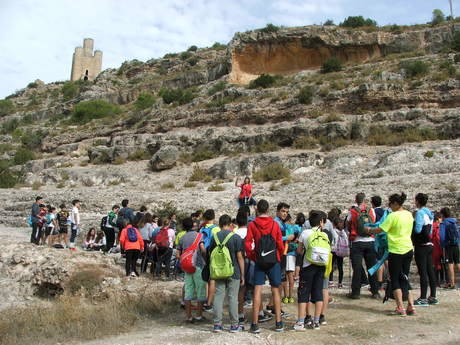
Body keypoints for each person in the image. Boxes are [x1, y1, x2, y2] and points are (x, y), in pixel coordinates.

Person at [365, 193, 416, 316]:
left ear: (395, 204)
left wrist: (369, 230)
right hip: (408, 248)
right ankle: (411, 306)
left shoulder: (393, 216)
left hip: (396, 250)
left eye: (390, 203)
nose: (389, 206)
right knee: (405, 277)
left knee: (395, 279)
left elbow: (381, 229)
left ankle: (400, 307)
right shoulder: (409, 214)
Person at [245, 199, 285, 333]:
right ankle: (279, 322)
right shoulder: (275, 225)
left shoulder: (252, 225)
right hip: (273, 261)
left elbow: (248, 244)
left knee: (257, 290)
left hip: (259, 261)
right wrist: (278, 257)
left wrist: (253, 256)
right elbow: (280, 244)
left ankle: (255, 324)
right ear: (268, 210)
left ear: (257, 210)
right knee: (275, 290)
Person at [294, 210, 331, 331]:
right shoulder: (324, 234)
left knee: (304, 293)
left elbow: (299, 251)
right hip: (321, 266)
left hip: (308, 266)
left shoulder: (305, 233)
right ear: (321, 222)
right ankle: (316, 322)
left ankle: (300, 322)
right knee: (318, 293)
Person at [208, 215, 245, 333]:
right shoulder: (236, 237)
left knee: (218, 296)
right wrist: (243, 275)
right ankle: (234, 325)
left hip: (218, 271)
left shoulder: (215, 237)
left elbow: (211, 255)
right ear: (231, 224)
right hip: (233, 271)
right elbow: (240, 257)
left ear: (219, 224)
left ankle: (217, 325)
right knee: (233, 298)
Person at [346, 193, 380, 299]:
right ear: (365, 200)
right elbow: (374, 222)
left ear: (356, 200)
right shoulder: (371, 210)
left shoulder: (352, 211)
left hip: (357, 241)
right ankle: (375, 291)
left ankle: (356, 292)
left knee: (357, 268)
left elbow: (348, 223)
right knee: (371, 266)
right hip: (370, 241)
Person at [177, 217, 207, 324]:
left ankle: (188, 316)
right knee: (200, 290)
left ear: (184, 227)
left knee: (188, 291)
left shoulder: (182, 238)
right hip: (198, 265)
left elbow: (177, 254)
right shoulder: (199, 236)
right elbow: (203, 249)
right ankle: (199, 316)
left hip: (187, 267)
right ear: (193, 226)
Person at [413, 193, 437, 306]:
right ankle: (433, 296)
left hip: (421, 246)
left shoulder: (420, 213)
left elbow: (418, 230)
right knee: (430, 271)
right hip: (429, 244)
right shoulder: (430, 213)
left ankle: (423, 298)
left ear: (417, 201)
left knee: (422, 272)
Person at [200, 209, 221, 311]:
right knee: (212, 279)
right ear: (214, 217)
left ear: (204, 218)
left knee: (206, 279)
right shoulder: (216, 229)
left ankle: (205, 300)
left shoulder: (201, 229)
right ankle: (209, 303)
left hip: (203, 255)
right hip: (212, 255)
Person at [439, 207, 459, 289]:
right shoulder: (454, 221)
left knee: (450, 264)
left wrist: (442, 245)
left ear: (443, 214)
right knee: (458, 263)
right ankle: (452, 283)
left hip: (448, 245)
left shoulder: (444, 223)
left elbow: (442, 236)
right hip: (456, 244)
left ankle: (452, 283)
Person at [283, 215, 301, 304]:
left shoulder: (282, 227)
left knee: (285, 277)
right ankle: (290, 296)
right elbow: (299, 231)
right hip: (291, 255)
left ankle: (286, 296)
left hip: (284, 254)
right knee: (291, 277)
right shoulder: (293, 227)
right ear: (289, 220)